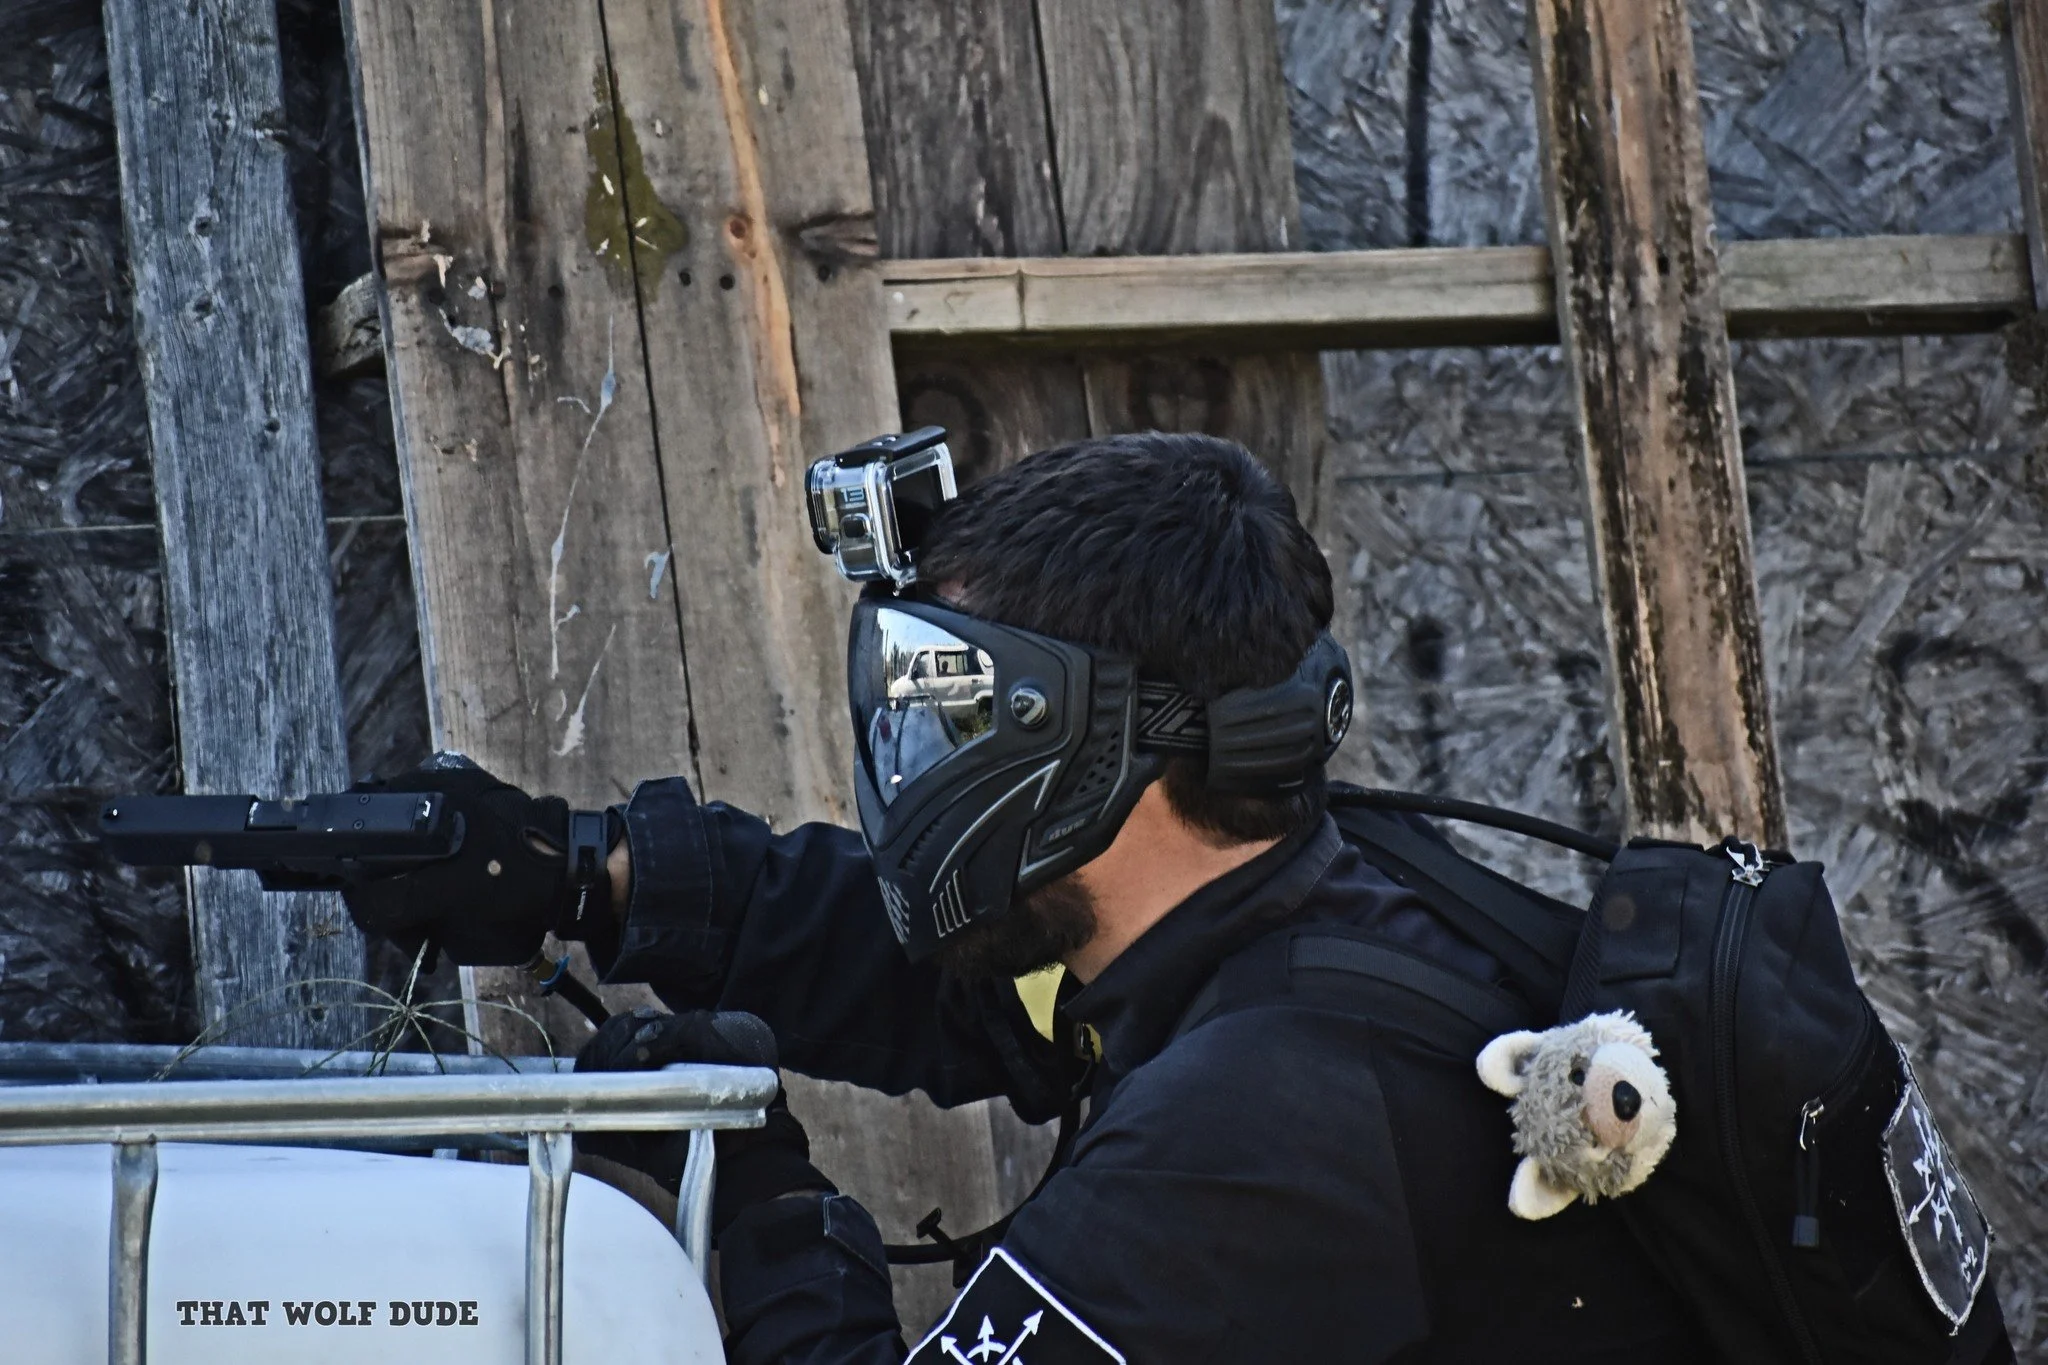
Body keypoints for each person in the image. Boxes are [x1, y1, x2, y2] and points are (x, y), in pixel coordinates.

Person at [344, 433, 1714, 1363]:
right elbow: (968, 995)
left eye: (955, 721)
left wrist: (747, 1193)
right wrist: (590, 873)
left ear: (1090, 750)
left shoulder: (1262, 1126)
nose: (911, 764)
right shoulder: (1277, 925)